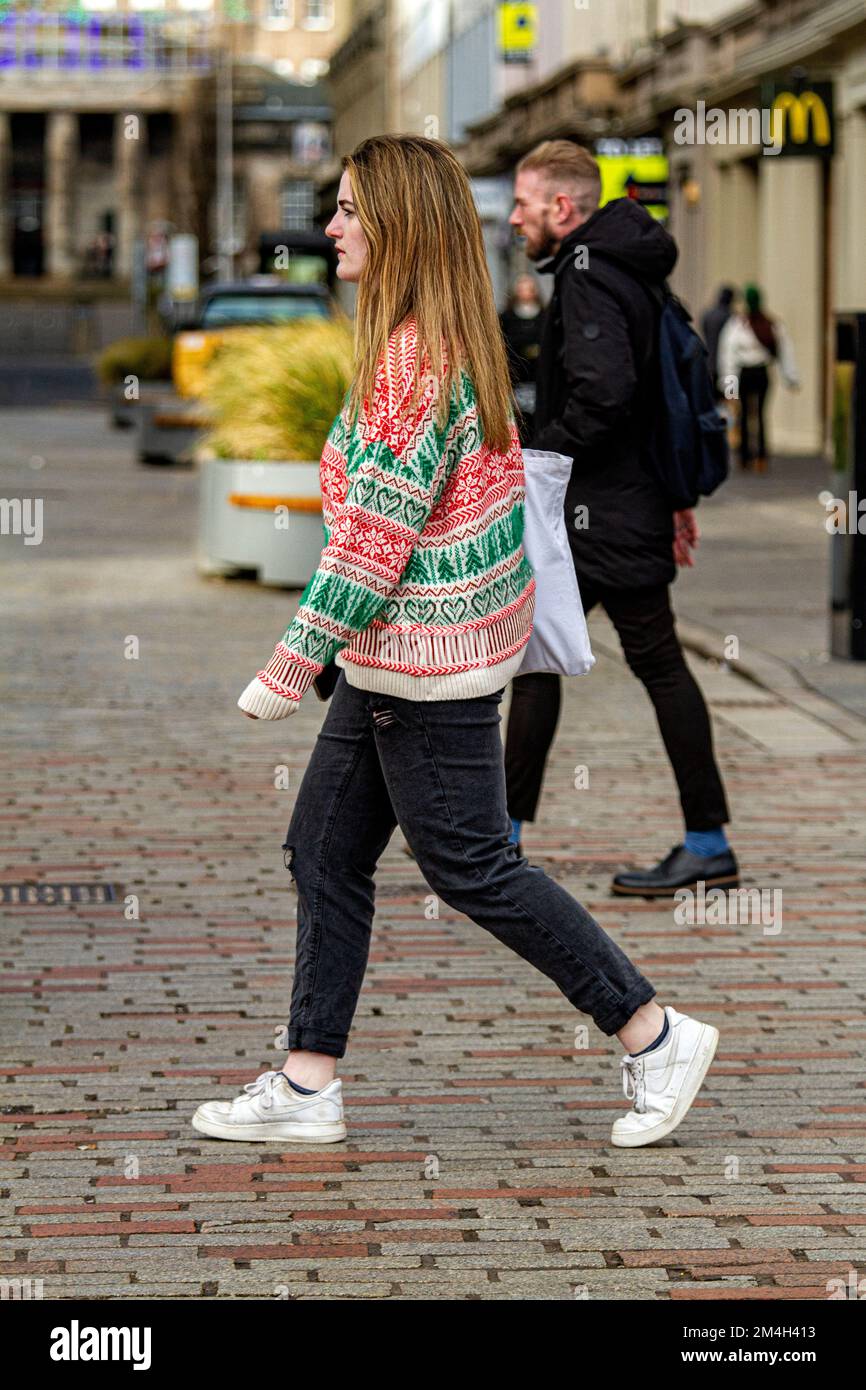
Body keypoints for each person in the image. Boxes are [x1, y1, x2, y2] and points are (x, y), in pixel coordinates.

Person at [190, 135, 719, 1150]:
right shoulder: (424, 342)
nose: (331, 228)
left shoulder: (407, 362)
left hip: (424, 665)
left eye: (348, 210)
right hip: (405, 656)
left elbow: (369, 547)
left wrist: (288, 664)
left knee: (471, 866)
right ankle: (307, 1083)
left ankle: (650, 1032)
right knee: (325, 850)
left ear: (397, 227)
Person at [504, 139, 738, 899]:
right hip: (620, 507)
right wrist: (667, 498)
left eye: (523, 204)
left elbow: (606, 395)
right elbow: (649, 397)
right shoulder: (623, 265)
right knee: (543, 659)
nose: (514, 219)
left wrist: (542, 463)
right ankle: (500, 834)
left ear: (561, 208)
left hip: (597, 515)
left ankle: (706, 842)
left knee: (648, 663)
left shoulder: (588, 272)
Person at [717, 284, 799, 472]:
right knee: (748, 414)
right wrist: (729, 387)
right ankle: (748, 456)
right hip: (748, 372)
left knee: (757, 414)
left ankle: (757, 455)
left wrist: (791, 376)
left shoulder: (762, 325)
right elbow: (729, 357)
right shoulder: (741, 325)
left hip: (758, 371)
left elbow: (784, 352)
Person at [499, 273, 545, 445]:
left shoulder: (544, 317)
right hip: (516, 382)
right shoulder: (506, 318)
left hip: (539, 381)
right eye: (522, 287)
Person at [701, 285, 735, 400]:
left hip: (710, 364)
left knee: (711, 400)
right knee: (730, 400)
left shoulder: (707, 315)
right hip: (729, 369)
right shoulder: (732, 318)